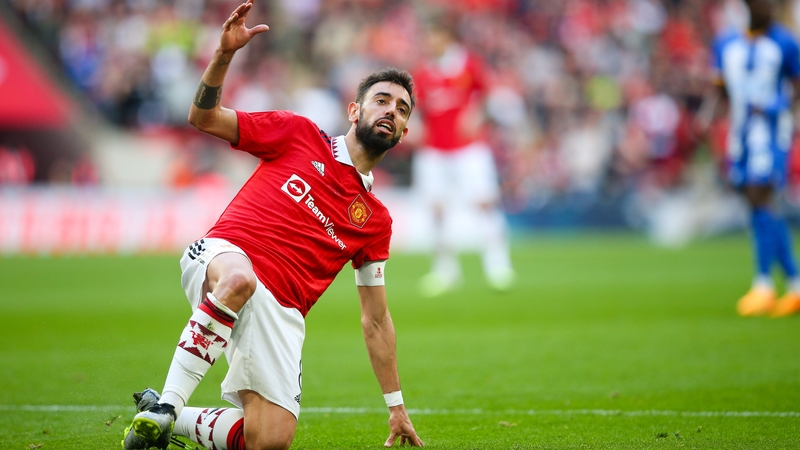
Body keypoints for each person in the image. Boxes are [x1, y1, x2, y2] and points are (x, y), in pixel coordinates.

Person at [121, 2, 424, 449]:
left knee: (270, 440)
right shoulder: (298, 133)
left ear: (401, 132)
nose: (391, 112)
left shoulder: (375, 222)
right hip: (225, 257)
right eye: (382, 100)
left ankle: (169, 419)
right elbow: (203, 118)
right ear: (355, 111)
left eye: (402, 110)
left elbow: (376, 320)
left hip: (281, 313)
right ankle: (168, 403)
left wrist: (396, 405)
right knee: (241, 279)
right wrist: (224, 55)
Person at [410, 19, 515, 297]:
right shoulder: (423, 71)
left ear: (448, 36)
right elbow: (417, 107)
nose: (429, 42)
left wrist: (476, 115)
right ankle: (445, 271)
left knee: (484, 203)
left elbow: (488, 97)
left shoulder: (469, 64)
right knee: (436, 209)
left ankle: (498, 266)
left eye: (434, 35)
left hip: (469, 148)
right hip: (433, 149)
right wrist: (415, 126)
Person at [710, 0, 800, 317]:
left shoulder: (785, 42)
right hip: (740, 134)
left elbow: (797, 86)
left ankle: (764, 284)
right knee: (756, 205)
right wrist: (708, 115)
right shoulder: (725, 42)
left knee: (760, 197)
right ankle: (793, 283)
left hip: (771, 133)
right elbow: (720, 87)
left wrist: (779, 110)